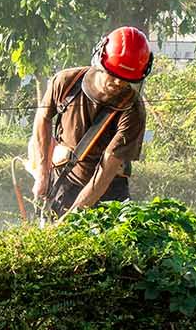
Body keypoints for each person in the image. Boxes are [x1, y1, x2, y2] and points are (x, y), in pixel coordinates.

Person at [28, 27, 151, 216]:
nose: (119, 83)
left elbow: (107, 169)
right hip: (64, 180)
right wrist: (43, 174)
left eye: (127, 80)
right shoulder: (66, 82)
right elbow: (43, 119)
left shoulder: (133, 110)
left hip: (110, 190)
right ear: (100, 61)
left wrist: (75, 215)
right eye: (114, 75)